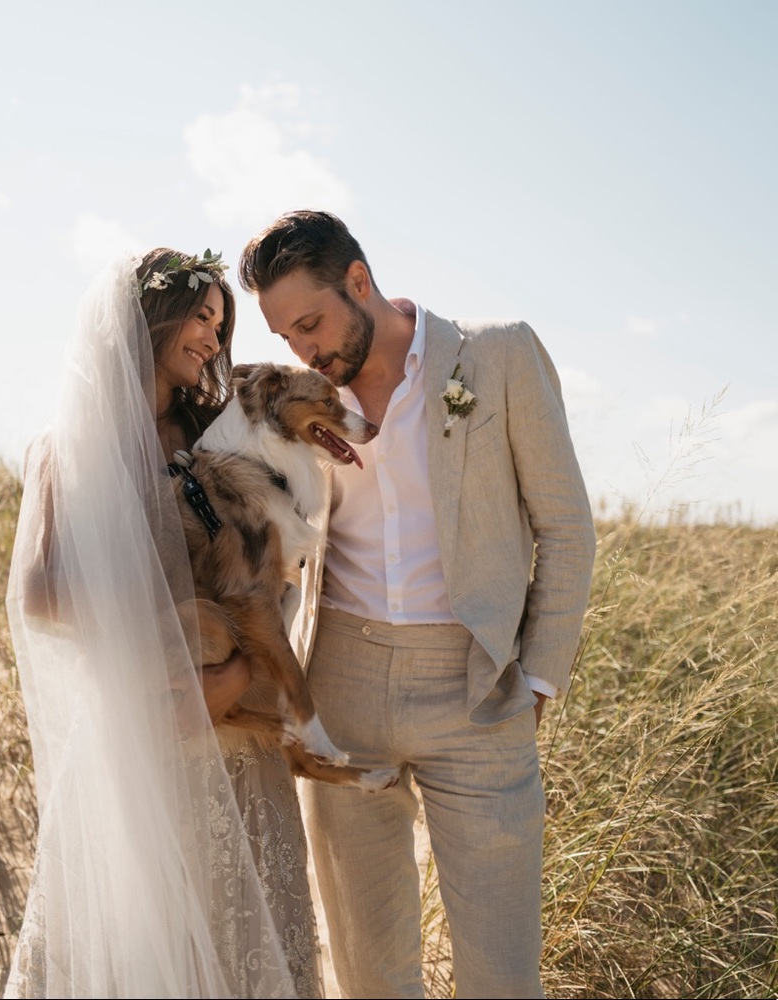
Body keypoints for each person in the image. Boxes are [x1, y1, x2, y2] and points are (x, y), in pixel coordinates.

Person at [238, 211, 596, 999]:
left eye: (311, 323)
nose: (304, 350)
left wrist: (537, 678)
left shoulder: (496, 354)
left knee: (503, 973)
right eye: (286, 335)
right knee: (370, 970)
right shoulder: (296, 395)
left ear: (360, 283)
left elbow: (566, 525)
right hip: (342, 683)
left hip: (477, 688)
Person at [5, 248, 321, 998]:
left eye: (221, 323)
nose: (215, 338)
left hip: (237, 739)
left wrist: (233, 675)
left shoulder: (223, 442)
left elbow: (279, 576)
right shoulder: (63, 453)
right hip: (130, 740)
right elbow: (40, 597)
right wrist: (159, 642)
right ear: (149, 320)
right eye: (202, 318)